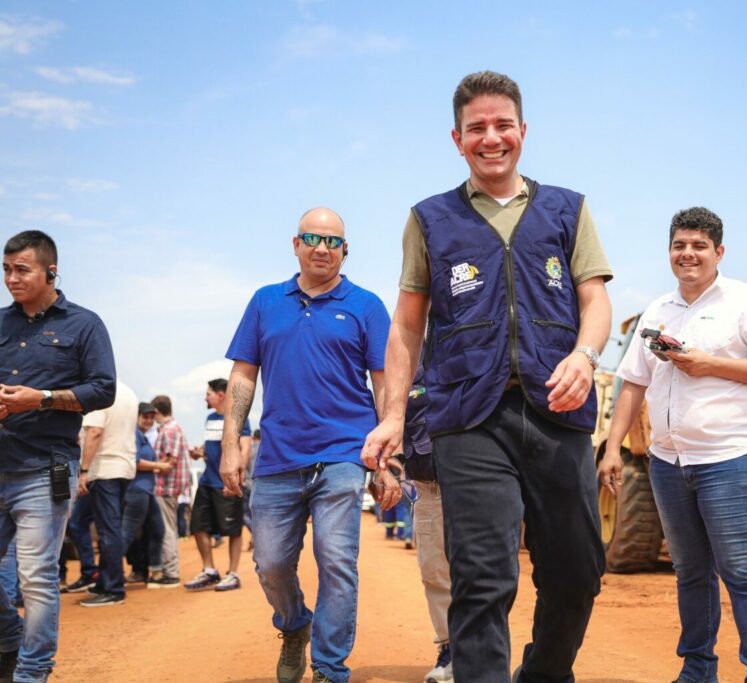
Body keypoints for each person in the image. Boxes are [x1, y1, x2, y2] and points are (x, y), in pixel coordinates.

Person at [362, 71, 613, 683]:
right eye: (477, 128)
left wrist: (584, 356)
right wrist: (393, 416)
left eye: (503, 125)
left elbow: (596, 300)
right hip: (469, 419)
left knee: (577, 572)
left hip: (557, 412)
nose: (491, 138)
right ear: (458, 139)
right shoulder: (429, 219)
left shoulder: (567, 209)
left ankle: (543, 673)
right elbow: (407, 326)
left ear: (523, 130)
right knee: (482, 577)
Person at [598, 207, 747, 683]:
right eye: (679, 245)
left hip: (734, 459)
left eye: (699, 246)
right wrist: (612, 447)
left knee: (744, 573)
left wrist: (709, 364)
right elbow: (633, 382)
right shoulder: (657, 311)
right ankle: (698, 670)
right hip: (669, 462)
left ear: (718, 252)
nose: (688, 254)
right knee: (690, 573)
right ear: (669, 252)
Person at [219, 207, 391, 683]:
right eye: (312, 238)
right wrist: (232, 444)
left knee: (336, 561)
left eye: (332, 241)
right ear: (295, 245)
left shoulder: (366, 305)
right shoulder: (265, 301)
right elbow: (243, 375)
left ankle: (330, 667)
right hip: (277, 456)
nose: (322, 248)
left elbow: (385, 384)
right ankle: (295, 625)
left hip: (343, 453)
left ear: (345, 250)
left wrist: (386, 458)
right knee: (270, 564)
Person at [0, 230, 116, 680]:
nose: (12, 278)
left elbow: (102, 389)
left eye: (21, 270)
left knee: (36, 577)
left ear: (51, 272)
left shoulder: (84, 325)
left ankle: (31, 672)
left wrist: (42, 398)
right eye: (6, 270)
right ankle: (10, 639)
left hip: (44, 469)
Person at [403, 364, 453, 683]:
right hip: (428, 485)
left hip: (477, 481)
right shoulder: (407, 365)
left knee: (485, 570)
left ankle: (484, 651)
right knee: (435, 571)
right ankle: (452, 649)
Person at [184, 379, 250, 592]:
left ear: (221, 395)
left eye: (208, 394)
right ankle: (210, 570)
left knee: (233, 530)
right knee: (198, 526)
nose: (206, 397)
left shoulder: (238, 418)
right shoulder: (210, 419)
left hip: (227, 484)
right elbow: (210, 446)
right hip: (206, 482)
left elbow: (245, 448)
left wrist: (236, 480)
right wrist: (199, 452)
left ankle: (233, 574)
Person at [78, 379, 138, 607]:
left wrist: (84, 470)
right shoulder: (128, 392)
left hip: (105, 469)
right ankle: (106, 582)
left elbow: (94, 431)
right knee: (111, 528)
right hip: (124, 466)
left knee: (108, 531)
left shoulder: (98, 393)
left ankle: (113, 588)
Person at [121, 403, 170, 584]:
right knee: (127, 534)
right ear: (136, 416)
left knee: (157, 530)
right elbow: (134, 462)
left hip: (146, 490)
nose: (149, 421)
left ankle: (155, 570)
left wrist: (158, 465)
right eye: (145, 417)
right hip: (136, 490)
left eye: (151, 417)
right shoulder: (133, 433)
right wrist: (160, 466)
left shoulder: (141, 435)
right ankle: (109, 573)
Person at [149, 394, 189, 587]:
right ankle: (170, 570)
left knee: (167, 530)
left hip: (166, 486)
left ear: (157, 411)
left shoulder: (169, 430)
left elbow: (169, 461)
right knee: (168, 528)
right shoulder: (172, 428)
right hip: (170, 486)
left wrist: (148, 466)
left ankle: (171, 572)